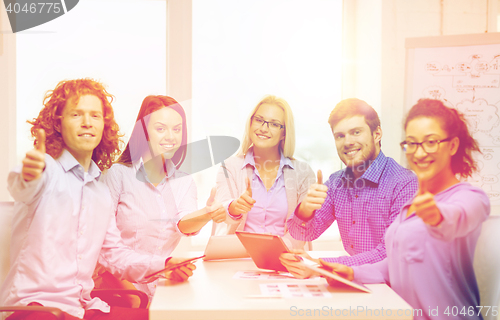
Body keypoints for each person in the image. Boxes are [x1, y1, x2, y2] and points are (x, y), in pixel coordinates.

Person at [0, 79, 195, 320]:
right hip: (36, 310)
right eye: (76, 114)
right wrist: (29, 174)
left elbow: (115, 255)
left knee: (159, 317)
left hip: (81, 307)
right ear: (58, 124)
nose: (87, 123)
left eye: (95, 115)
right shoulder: (46, 170)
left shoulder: (99, 191)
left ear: (104, 125)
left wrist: (165, 263)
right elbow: (22, 185)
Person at [320, 98, 489, 320]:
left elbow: (458, 217)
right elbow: (397, 263)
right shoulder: (411, 205)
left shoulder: (470, 198)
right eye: (412, 143)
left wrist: (438, 216)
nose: (419, 153)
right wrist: (353, 273)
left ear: (453, 146)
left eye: (430, 142)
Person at [94, 95, 225, 302]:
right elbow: (101, 247)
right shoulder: (118, 175)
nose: (171, 137)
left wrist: (207, 213)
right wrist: (135, 299)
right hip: (119, 291)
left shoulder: (184, 182)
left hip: (162, 290)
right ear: (145, 132)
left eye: (177, 129)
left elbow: (184, 225)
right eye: (161, 128)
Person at [280, 98, 418, 277]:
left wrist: (320, 266)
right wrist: (305, 209)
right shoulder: (336, 183)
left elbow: (389, 253)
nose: (347, 142)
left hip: (393, 287)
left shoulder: (404, 183)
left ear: (377, 134)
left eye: (356, 132)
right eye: (340, 136)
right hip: (353, 282)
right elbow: (302, 234)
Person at [214, 95, 315, 248]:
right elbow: (221, 213)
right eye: (259, 120)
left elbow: (304, 226)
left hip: (284, 259)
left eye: (274, 124)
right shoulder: (229, 167)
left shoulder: (303, 172)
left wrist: (277, 252)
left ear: (284, 133)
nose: (263, 128)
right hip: (237, 258)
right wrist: (235, 207)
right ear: (251, 123)